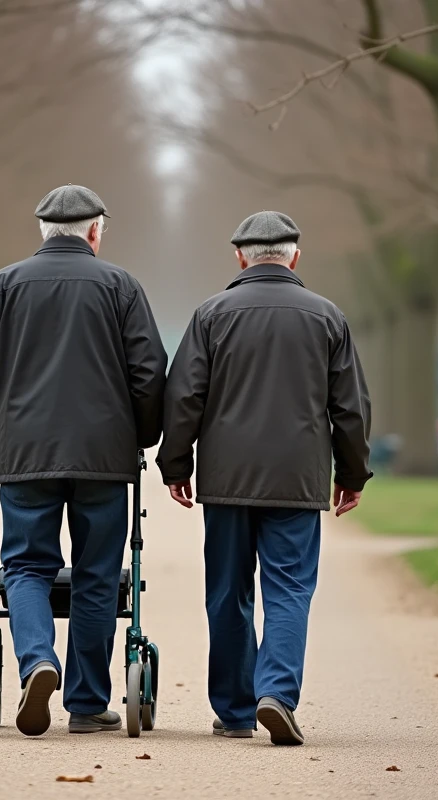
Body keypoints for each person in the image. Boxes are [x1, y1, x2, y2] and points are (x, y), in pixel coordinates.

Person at [0, 185, 167, 736]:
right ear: (95, 231)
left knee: (25, 565)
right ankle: (89, 703)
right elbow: (148, 372)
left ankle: (36, 661)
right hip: (103, 457)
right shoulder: (121, 287)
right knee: (97, 574)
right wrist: (140, 437)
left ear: (42, 231)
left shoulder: (3, 286)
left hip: (23, 453)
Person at [156, 210, 372, 746]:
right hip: (297, 478)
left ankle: (234, 711)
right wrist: (352, 473)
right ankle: (277, 692)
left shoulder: (211, 315)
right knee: (290, 588)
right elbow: (350, 407)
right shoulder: (327, 317)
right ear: (295, 256)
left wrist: (175, 464)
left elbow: (183, 397)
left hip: (226, 478)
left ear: (239, 257)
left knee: (228, 590)